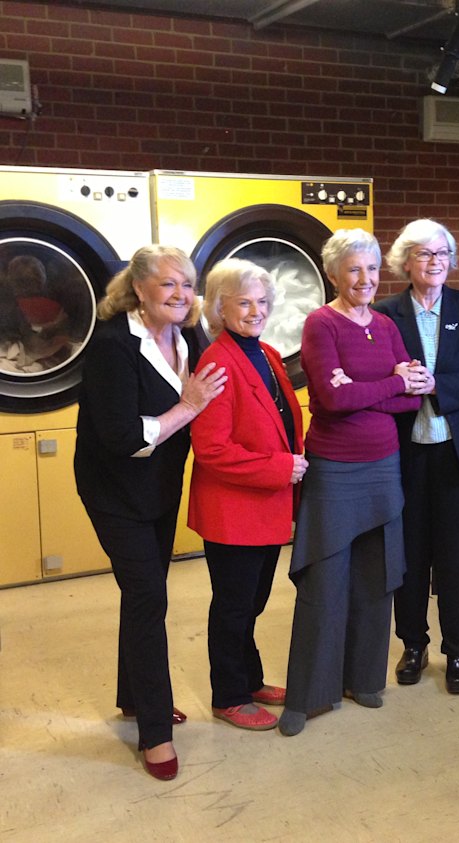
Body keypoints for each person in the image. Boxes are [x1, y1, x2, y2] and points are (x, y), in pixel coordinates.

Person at [74, 245, 227, 781]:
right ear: (138, 289)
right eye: (169, 285)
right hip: (114, 488)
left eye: (188, 285)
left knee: (142, 592)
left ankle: (133, 697)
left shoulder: (189, 336)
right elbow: (119, 437)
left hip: (160, 486)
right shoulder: (113, 346)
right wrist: (187, 407)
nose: (182, 296)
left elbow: (217, 390)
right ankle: (155, 733)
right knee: (148, 596)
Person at [278, 229, 423, 737]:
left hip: (384, 464)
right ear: (334, 274)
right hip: (336, 468)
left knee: (376, 577)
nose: (365, 279)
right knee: (324, 580)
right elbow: (332, 401)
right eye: (354, 270)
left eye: (372, 269)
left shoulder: (384, 326)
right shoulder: (321, 324)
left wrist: (370, 389)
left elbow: (413, 397)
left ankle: (364, 679)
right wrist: (393, 384)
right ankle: (309, 696)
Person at [373, 218, 459, 694]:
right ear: (405, 262)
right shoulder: (385, 314)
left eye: (442, 254)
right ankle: (412, 644)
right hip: (404, 456)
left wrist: (437, 385)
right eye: (425, 254)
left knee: (457, 558)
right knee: (408, 556)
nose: (435, 262)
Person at [188, 257, 306, 732]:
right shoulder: (217, 360)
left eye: (262, 301)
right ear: (219, 308)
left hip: (264, 506)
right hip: (233, 510)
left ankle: (251, 679)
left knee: (252, 602)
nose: (256, 310)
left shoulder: (266, 352)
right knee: (234, 605)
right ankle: (229, 695)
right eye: (243, 302)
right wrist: (281, 467)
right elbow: (212, 450)